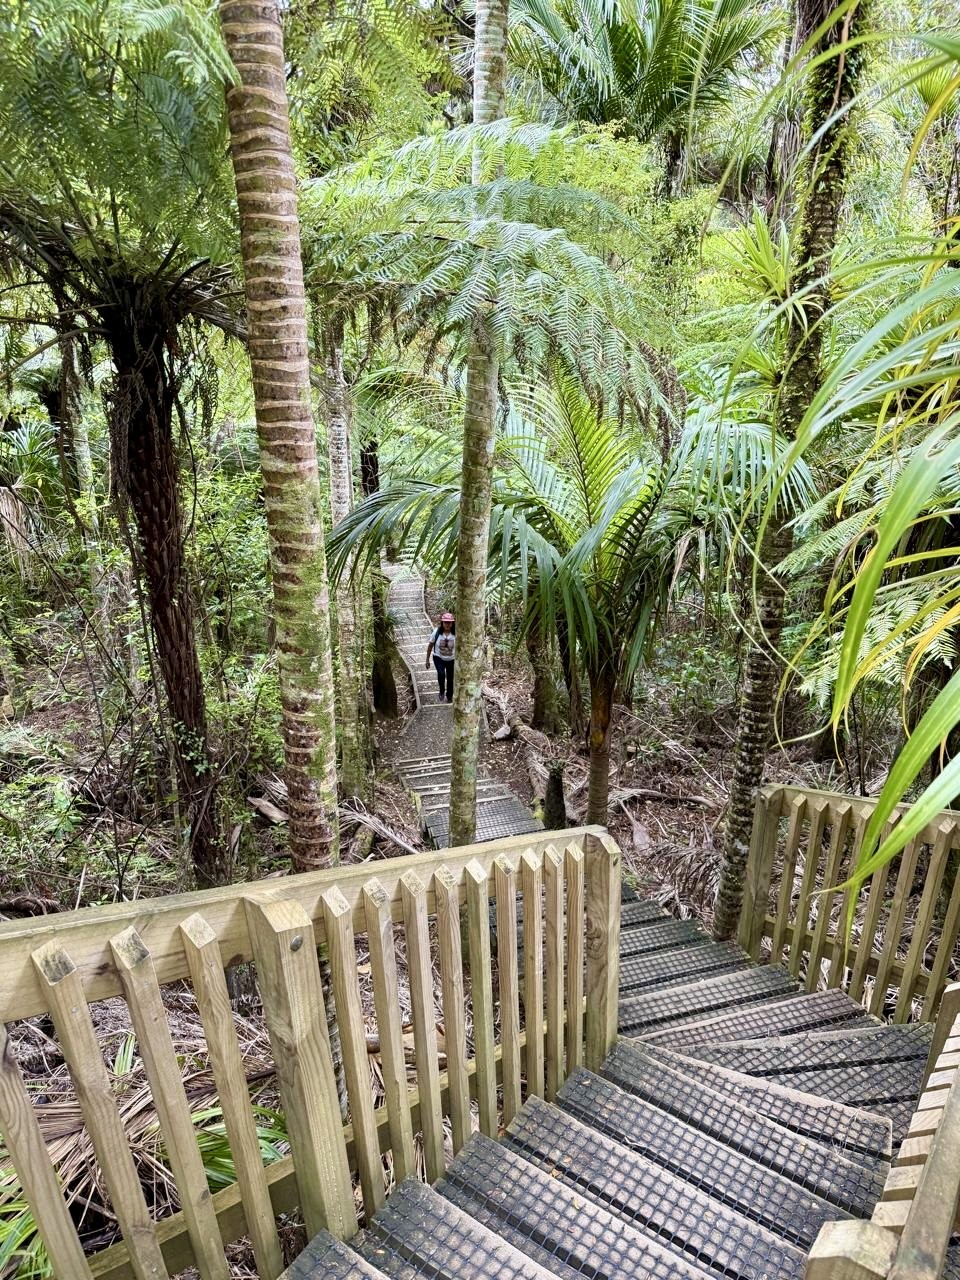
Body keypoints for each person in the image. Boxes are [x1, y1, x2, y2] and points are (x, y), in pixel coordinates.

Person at [426, 612, 455, 702]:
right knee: (441, 674)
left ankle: (449, 695)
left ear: (452, 623)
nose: (447, 624)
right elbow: (430, 645)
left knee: (450, 678)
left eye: (449, 622)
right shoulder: (436, 632)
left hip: (452, 659)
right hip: (439, 658)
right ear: (442, 622)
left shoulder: (456, 634)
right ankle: (441, 691)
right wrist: (427, 660)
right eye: (445, 622)